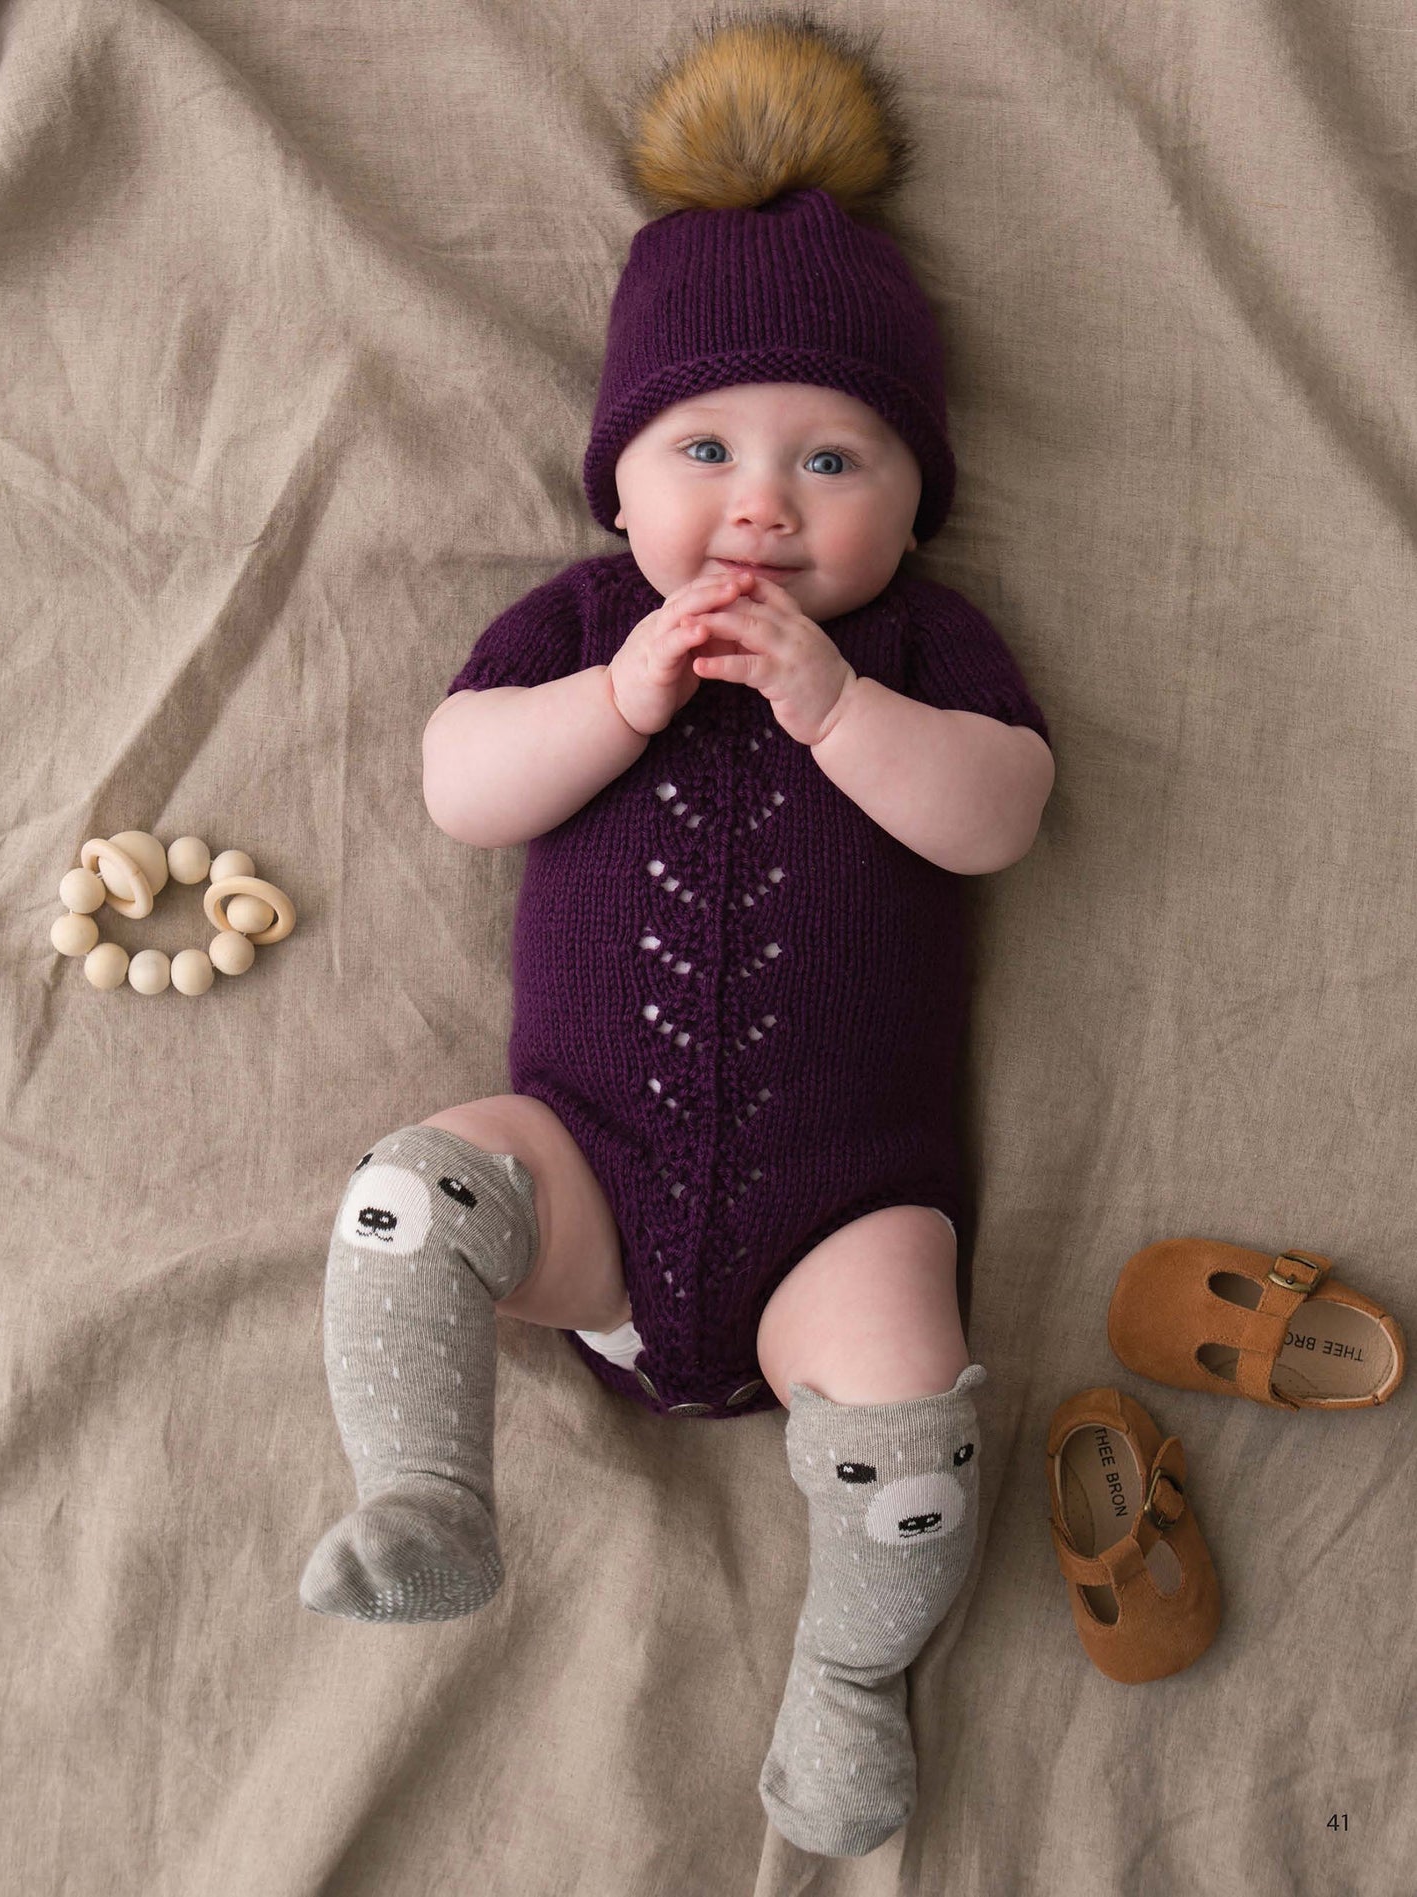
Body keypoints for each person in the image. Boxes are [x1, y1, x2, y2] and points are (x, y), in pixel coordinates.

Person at [300, 13, 1054, 1860]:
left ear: (910, 503)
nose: (761, 504)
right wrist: (616, 701)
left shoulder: (920, 654)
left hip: (840, 1208)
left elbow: (1002, 811)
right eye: (705, 447)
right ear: (620, 488)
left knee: (909, 1416)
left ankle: (850, 1682)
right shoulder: (571, 624)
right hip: (590, 1177)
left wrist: (836, 715)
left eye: (834, 462)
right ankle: (423, 1490)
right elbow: (462, 787)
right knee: (409, 1191)